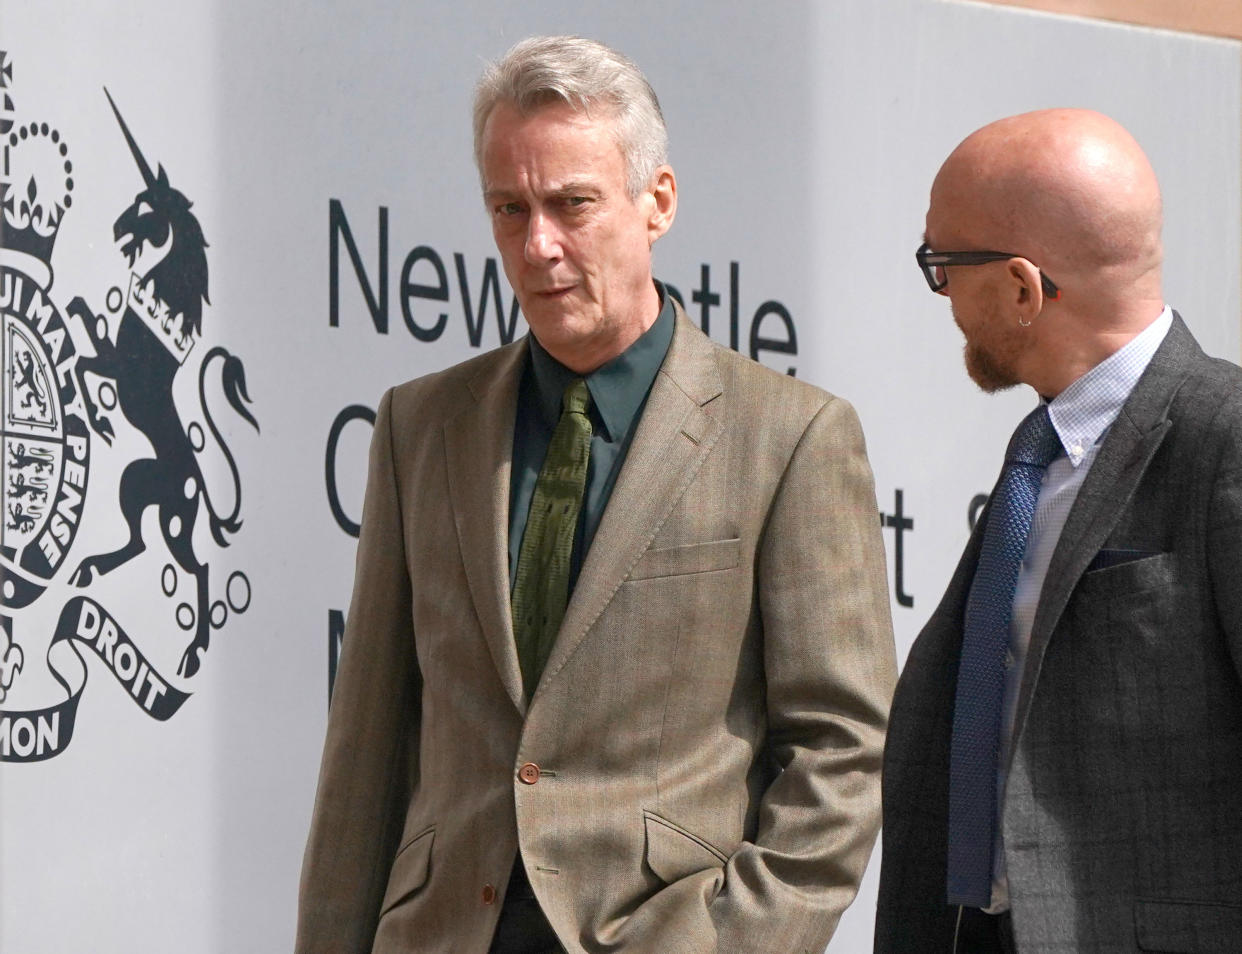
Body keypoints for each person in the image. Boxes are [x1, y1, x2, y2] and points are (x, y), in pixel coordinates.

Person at [296, 35, 896, 954]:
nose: (539, 245)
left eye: (572, 204)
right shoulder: (421, 427)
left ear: (656, 202)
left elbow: (842, 753)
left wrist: (731, 942)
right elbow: (366, 754)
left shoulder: (790, 438)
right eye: (509, 209)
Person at [876, 108, 1242, 954]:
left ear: (1020, 288)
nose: (941, 297)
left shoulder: (1222, 437)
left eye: (941, 265)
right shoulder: (1042, 452)